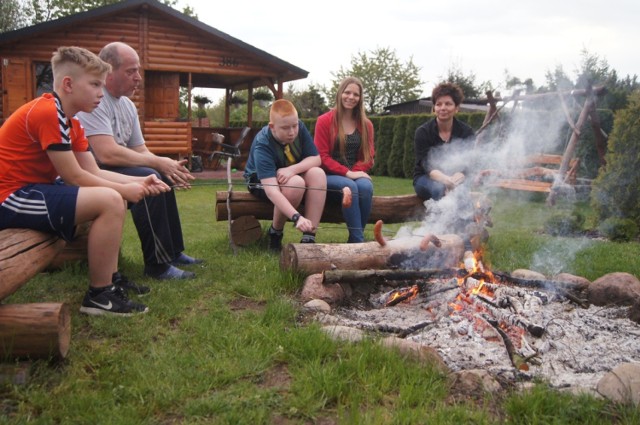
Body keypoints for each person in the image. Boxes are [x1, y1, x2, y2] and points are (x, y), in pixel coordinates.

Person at [0, 46, 171, 316]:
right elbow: (74, 176)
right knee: (111, 199)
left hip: (33, 190)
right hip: (10, 197)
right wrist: (126, 188)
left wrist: (143, 181)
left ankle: (111, 279)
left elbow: (95, 173)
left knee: (111, 195)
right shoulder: (47, 112)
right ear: (68, 84)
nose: (100, 93)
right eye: (94, 85)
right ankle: (99, 296)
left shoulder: (73, 123)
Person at [77, 42, 202, 281]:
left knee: (160, 175)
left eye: (139, 71)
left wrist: (167, 165)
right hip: (94, 172)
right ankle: (157, 266)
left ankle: (173, 253)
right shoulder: (95, 101)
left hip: (113, 168)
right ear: (109, 71)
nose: (138, 78)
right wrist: (157, 164)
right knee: (148, 177)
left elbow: (139, 149)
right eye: (131, 71)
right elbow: (106, 154)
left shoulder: (126, 105)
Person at [243, 99, 326, 252]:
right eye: (286, 128)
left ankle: (309, 236)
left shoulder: (299, 127)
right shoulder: (263, 143)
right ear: (272, 127)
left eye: (295, 126)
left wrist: (292, 169)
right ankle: (275, 234)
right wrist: (297, 217)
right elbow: (272, 191)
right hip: (260, 182)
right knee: (296, 184)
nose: (292, 132)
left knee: (318, 174)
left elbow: (316, 159)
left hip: (288, 173)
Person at [314, 77, 375, 243]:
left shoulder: (366, 124)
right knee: (350, 185)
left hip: (353, 174)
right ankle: (358, 242)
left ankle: (355, 240)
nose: (351, 97)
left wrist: (354, 172)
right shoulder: (324, 121)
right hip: (328, 175)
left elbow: (368, 156)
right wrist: (348, 174)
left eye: (356, 94)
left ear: (360, 98)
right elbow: (321, 157)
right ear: (340, 93)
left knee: (365, 186)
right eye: (347, 92)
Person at [413, 82, 476, 201]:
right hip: (426, 178)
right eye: (438, 104)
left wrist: (459, 176)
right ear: (434, 108)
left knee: (462, 191)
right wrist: (446, 180)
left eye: (448, 104)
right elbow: (426, 165)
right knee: (440, 189)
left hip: (456, 178)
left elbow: (468, 164)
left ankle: (465, 219)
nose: (443, 108)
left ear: (456, 108)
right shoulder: (423, 132)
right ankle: (441, 220)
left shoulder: (466, 132)